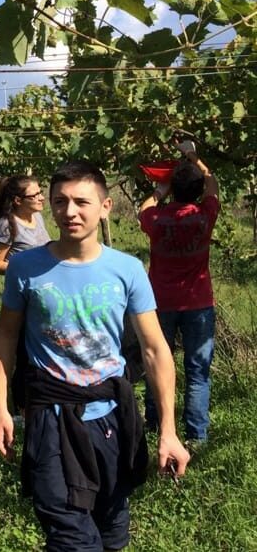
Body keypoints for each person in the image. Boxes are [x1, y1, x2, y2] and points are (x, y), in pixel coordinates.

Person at [0, 161, 191, 552]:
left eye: (81, 202)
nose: (69, 212)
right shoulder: (25, 267)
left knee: (112, 532)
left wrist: (168, 430)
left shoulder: (128, 270)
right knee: (72, 539)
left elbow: (154, 349)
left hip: (113, 419)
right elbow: (6, 334)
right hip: (51, 418)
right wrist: (1, 406)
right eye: (59, 202)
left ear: (106, 206)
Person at [138, 140, 219, 444]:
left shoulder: (157, 219)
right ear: (197, 192)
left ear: (174, 190)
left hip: (159, 303)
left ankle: (154, 426)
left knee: (157, 364)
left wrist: (161, 189)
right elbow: (212, 183)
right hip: (198, 302)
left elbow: (144, 208)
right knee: (198, 371)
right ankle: (196, 436)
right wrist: (194, 158)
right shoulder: (205, 214)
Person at [0, 175, 51, 412]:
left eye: (40, 192)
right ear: (17, 200)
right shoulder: (6, 224)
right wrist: (26, 270)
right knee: (24, 352)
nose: (42, 197)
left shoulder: (37, 218)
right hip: (23, 298)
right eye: (35, 195)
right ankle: (22, 407)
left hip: (42, 297)